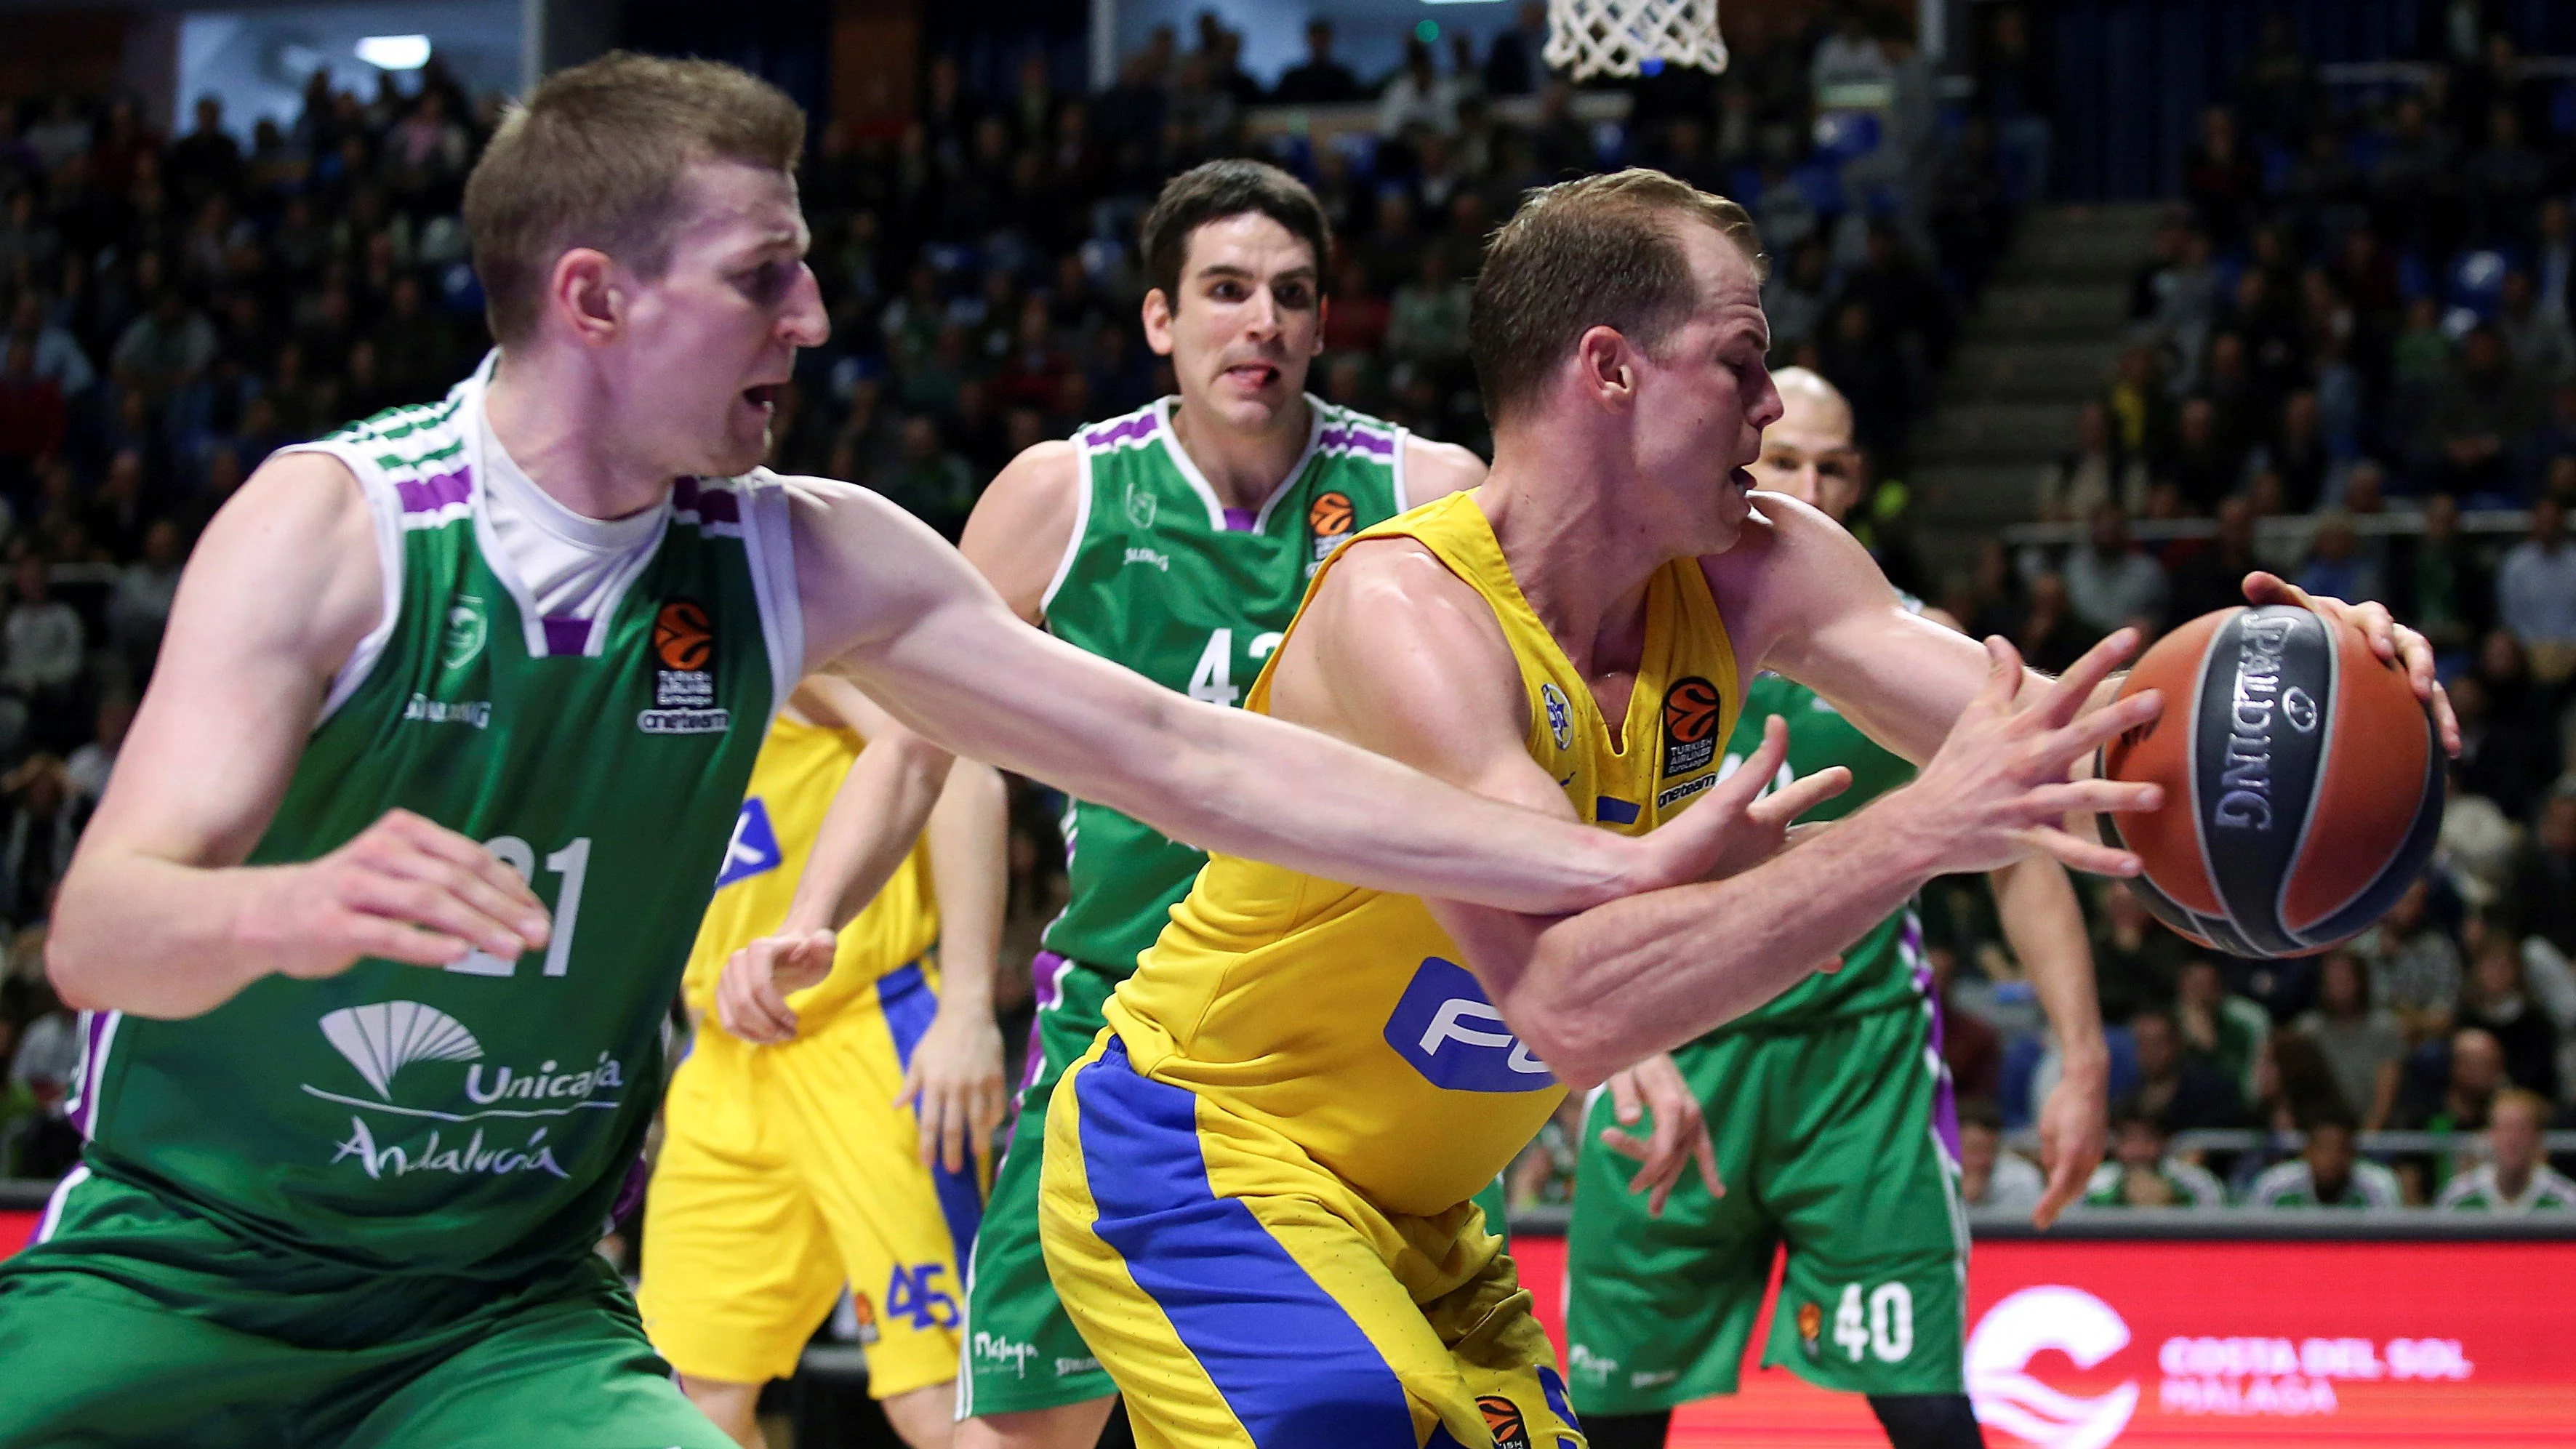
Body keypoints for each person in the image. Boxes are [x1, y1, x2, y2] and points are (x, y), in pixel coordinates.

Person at [0, 68, 1798, 1448]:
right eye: (765, 276)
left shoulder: (809, 548)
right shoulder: (336, 525)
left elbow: (1186, 754)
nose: (816, 319)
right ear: (595, 295)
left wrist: (1594, 860)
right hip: (188, 1263)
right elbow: (103, 930)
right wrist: (296, 903)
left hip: (500, 1308)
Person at [1034, 170, 2447, 1449]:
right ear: (1607, 370)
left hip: (1417, 1223)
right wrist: (1911, 833)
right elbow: (1569, 1004)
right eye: (1742, 363)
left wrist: (2295, 696)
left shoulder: (1764, 572)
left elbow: (2075, 751)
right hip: (1203, 1153)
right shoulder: (1409, 613)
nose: (1771, 411)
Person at [750, 158, 1491, 1449]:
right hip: (1114, 1017)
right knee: (1021, 1426)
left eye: (1290, 295)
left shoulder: (1424, 492)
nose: (1258, 321)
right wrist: (825, 913)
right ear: (1159, 319)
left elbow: (1514, 762)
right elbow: (928, 744)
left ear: (1322, 323)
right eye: (1224, 289)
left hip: (1331, 1028)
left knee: (1344, 1412)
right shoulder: (1063, 493)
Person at [1561, 369, 2105, 1448]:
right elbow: (1559, 855)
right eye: (1786, 459)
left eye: (1833, 465)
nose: (1808, 484)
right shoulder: (1622, 623)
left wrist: (2080, 1058)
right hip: (1673, 1045)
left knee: (1927, 1415)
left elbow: (2023, 850)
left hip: (1856, 1069)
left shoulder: (1909, 640)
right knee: (1614, 1425)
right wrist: (1615, 1045)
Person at [635, 675, 1008, 1449]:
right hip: (722, 1062)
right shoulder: (614, 684)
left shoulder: (784, 639)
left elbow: (958, 762)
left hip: (869, 1034)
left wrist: (968, 1006)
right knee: (687, 1400)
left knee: (941, 1402)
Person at [2436, 1088, 2576, 1211]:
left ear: (2538, 1137)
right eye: (2505, 1128)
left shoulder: (2566, 1200)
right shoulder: (2458, 1198)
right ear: (2491, 1134)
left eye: (2522, 1129)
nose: (2513, 1140)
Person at [2079, 1103, 2224, 1208]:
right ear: (2116, 1143)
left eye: (2147, 1139)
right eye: (2130, 1139)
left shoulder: (2196, 1182)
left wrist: (2173, 1200)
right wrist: (2122, 1195)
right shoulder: (2092, 1184)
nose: (2138, 1150)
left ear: (2163, 1141)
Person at [2247, 1112, 2401, 1208]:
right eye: (2324, 1148)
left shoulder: (2379, 1186)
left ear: (2353, 1153)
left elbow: (2391, 1251)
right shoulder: (2274, 1186)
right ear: (2307, 1151)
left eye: (2341, 1149)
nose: (2332, 1158)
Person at [1957, 1099, 2044, 1216]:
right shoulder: (1932, 1179)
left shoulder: (2020, 1180)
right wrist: (1961, 1200)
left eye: (1991, 1149)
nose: (1983, 1160)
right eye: (1974, 1149)